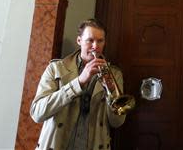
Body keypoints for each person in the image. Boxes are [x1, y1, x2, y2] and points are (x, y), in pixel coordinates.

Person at [30, 19, 126, 150]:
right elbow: (37, 114)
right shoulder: (56, 68)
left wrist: (112, 93)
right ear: (79, 41)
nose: (95, 46)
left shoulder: (114, 74)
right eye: (90, 40)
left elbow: (117, 122)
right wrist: (79, 82)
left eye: (100, 41)